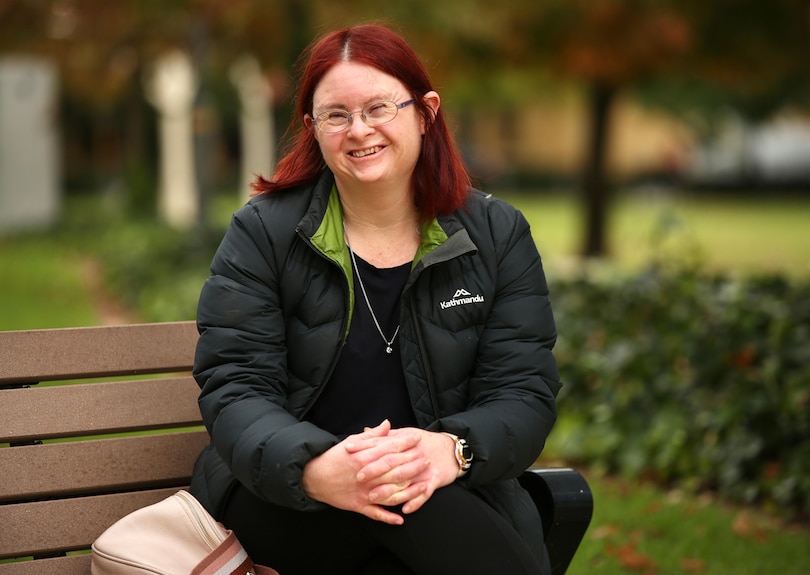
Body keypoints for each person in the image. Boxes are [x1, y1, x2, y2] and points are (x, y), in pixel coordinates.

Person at [189, 23, 561, 575]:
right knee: (402, 497)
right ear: (313, 128)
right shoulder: (264, 234)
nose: (359, 130)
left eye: (379, 108)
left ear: (425, 112)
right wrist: (316, 467)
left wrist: (451, 450)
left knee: (407, 508)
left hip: (447, 487)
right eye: (336, 115)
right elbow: (235, 385)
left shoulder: (495, 234)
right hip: (287, 497)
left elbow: (523, 391)